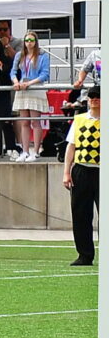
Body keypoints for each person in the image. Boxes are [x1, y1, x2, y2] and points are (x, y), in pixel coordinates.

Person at [65, 86, 100, 267]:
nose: (94, 99)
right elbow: (71, 146)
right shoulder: (79, 120)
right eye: (92, 96)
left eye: (98, 97)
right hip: (81, 170)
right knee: (80, 214)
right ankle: (84, 254)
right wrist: (66, 172)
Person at [11, 35, 53, 160]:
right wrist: (16, 82)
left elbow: (45, 74)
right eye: (27, 40)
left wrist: (29, 83)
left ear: (35, 42)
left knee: (35, 121)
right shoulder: (19, 55)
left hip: (35, 86)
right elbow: (13, 71)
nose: (29, 43)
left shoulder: (42, 55)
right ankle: (24, 151)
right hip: (23, 87)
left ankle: (35, 151)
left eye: (31, 40)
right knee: (24, 121)